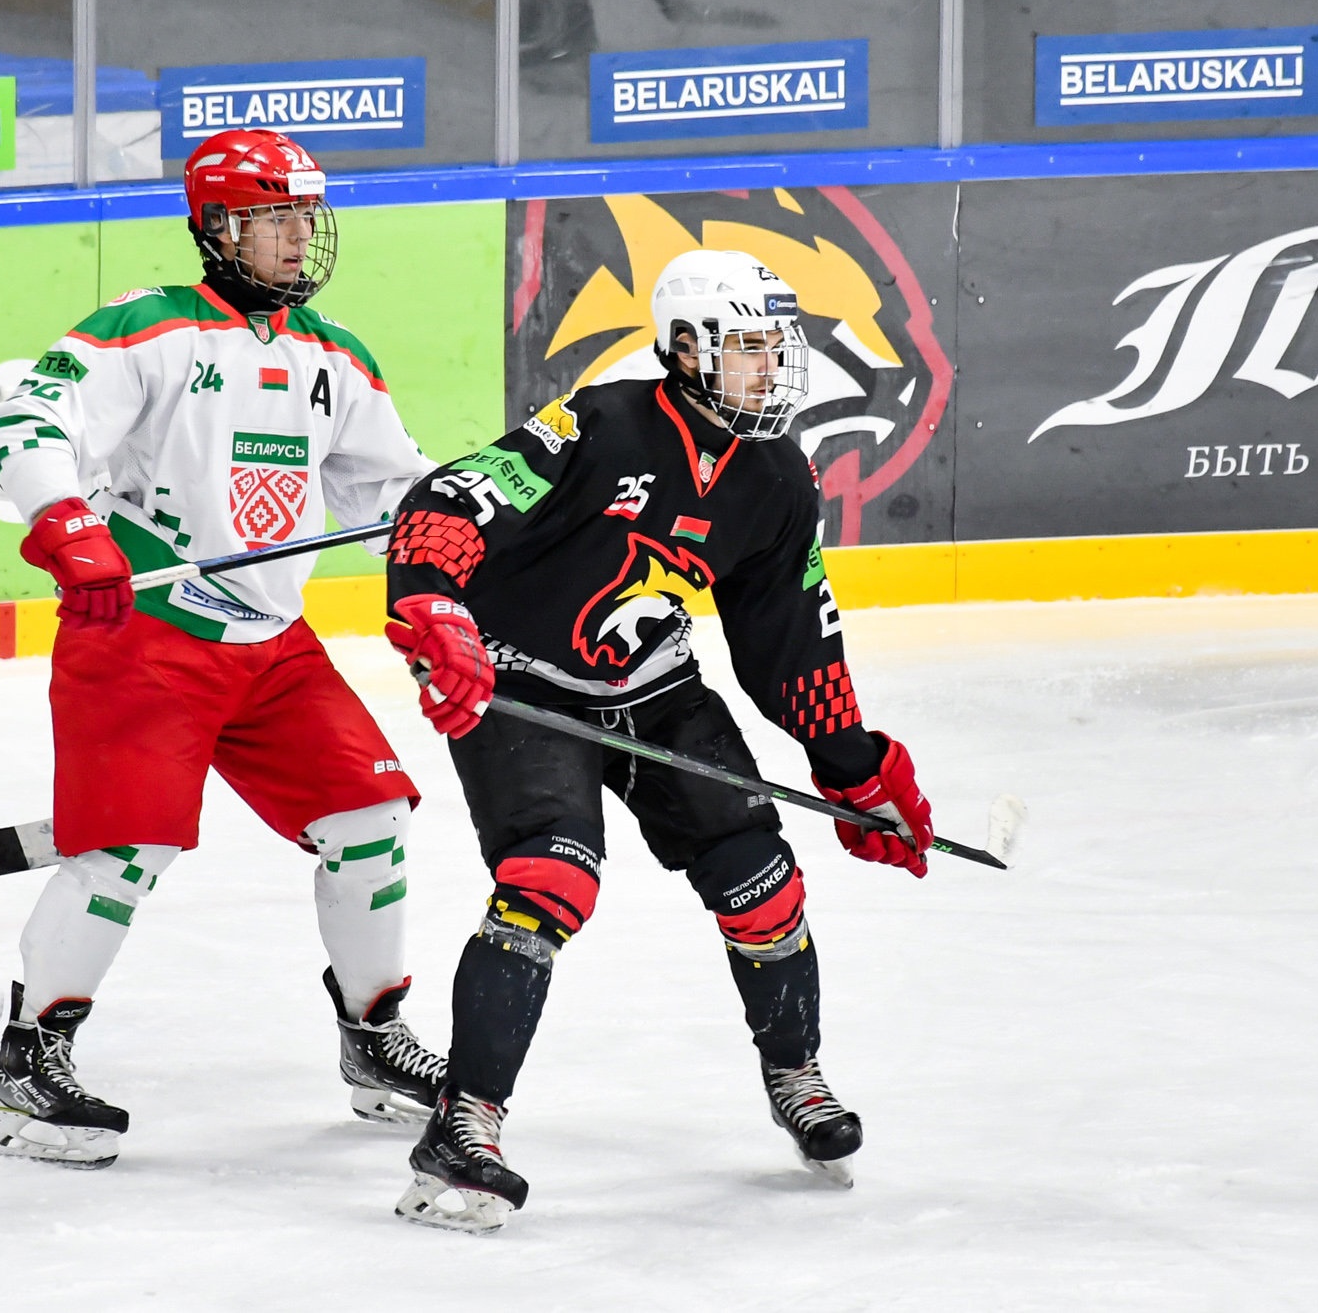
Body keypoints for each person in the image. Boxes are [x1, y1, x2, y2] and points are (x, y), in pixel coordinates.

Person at [383, 249, 937, 1231]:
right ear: (685, 347)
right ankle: (463, 1124)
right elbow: (452, 498)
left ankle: (795, 1072)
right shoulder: (602, 422)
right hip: (520, 686)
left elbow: (789, 641)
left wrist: (852, 766)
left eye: (777, 345)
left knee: (761, 876)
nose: (773, 366)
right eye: (749, 346)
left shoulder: (776, 476)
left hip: (656, 688)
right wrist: (432, 604)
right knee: (549, 879)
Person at [0, 128, 444, 1168]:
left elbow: (397, 494)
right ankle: (28, 1065)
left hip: (273, 644)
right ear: (216, 227)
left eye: (304, 216)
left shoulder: (335, 355)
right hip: (145, 632)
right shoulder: (145, 328)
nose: (296, 238)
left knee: (369, 819)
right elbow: (23, 428)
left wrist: (454, 567)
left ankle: (373, 1039)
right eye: (272, 218)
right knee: (124, 850)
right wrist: (68, 522)